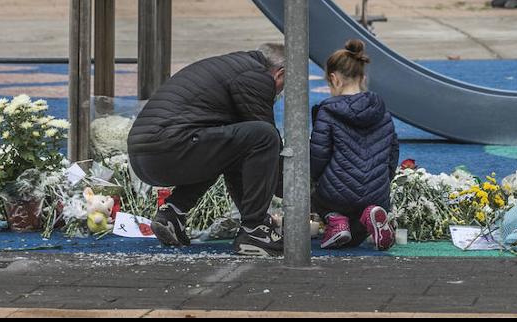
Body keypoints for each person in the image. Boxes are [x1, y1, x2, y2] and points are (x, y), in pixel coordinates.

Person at [127, 44, 286, 257]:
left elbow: (239, 154)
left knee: (227, 145)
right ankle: (254, 231)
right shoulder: (256, 76)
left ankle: (172, 213)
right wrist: (298, 192)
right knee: (265, 135)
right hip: (170, 148)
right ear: (280, 74)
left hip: (144, 156)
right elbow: (267, 144)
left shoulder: (234, 66)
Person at [309, 39, 399, 250]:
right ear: (363, 77)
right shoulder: (382, 111)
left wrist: (314, 181)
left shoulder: (327, 111)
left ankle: (336, 221)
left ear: (334, 79)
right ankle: (372, 214)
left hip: (335, 195)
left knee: (319, 197)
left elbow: (318, 155)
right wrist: (384, 181)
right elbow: (393, 151)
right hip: (376, 192)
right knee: (360, 224)